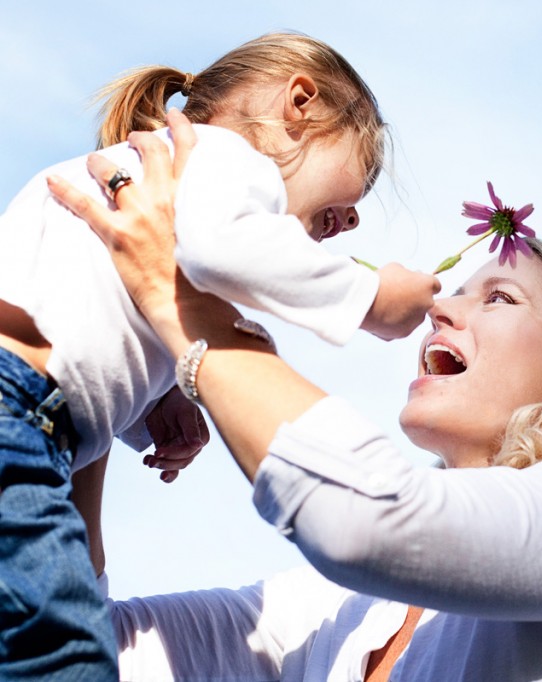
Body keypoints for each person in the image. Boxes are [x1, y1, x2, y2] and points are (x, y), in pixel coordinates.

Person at [50, 116, 542, 681]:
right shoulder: (338, 608)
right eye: (459, 292)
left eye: (499, 298)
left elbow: (365, 520)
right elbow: (84, 653)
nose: (440, 311)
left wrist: (181, 307)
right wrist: (89, 394)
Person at [0, 32, 438, 679]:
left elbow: (83, 338)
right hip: (19, 417)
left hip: (31, 419)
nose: (349, 223)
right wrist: (372, 298)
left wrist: (151, 409)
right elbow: (227, 253)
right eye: (356, 184)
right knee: (63, 654)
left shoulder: (160, 183)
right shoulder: (222, 158)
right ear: (300, 104)